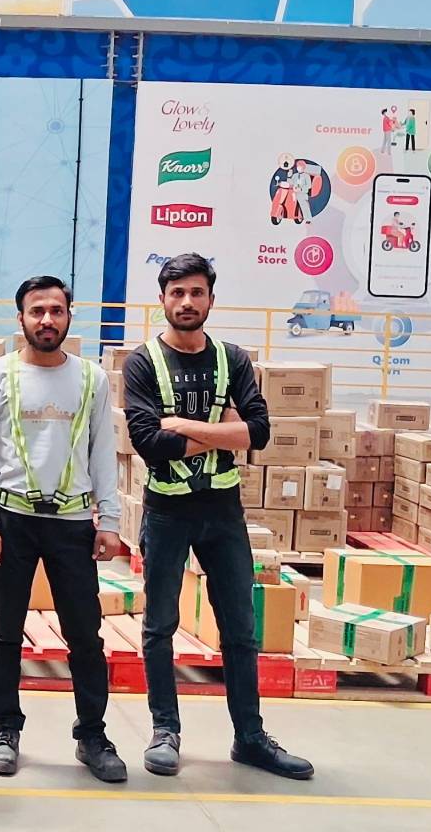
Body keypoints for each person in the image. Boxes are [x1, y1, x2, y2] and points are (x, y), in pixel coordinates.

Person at [122, 254, 314, 782]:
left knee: (240, 629)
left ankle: (249, 738)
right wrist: (221, 427)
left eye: (197, 293)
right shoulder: (143, 363)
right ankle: (165, 730)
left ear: (211, 298)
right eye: (177, 293)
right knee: (160, 625)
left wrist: (181, 422)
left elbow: (259, 433)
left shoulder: (233, 359)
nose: (187, 302)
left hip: (223, 511)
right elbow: (148, 444)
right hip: (167, 511)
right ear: (162, 299)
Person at [0, 275, 127, 783]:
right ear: (21, 319)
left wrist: (111, 518)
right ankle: (5, 729)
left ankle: (93, 735)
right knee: (5, 631)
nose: (47, 320)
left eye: (56, 310)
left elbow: (103, 451)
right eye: (37, 311)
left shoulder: (92, 379)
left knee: (85, 634)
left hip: (74, 523)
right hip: (10, 521)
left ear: (69, 316)